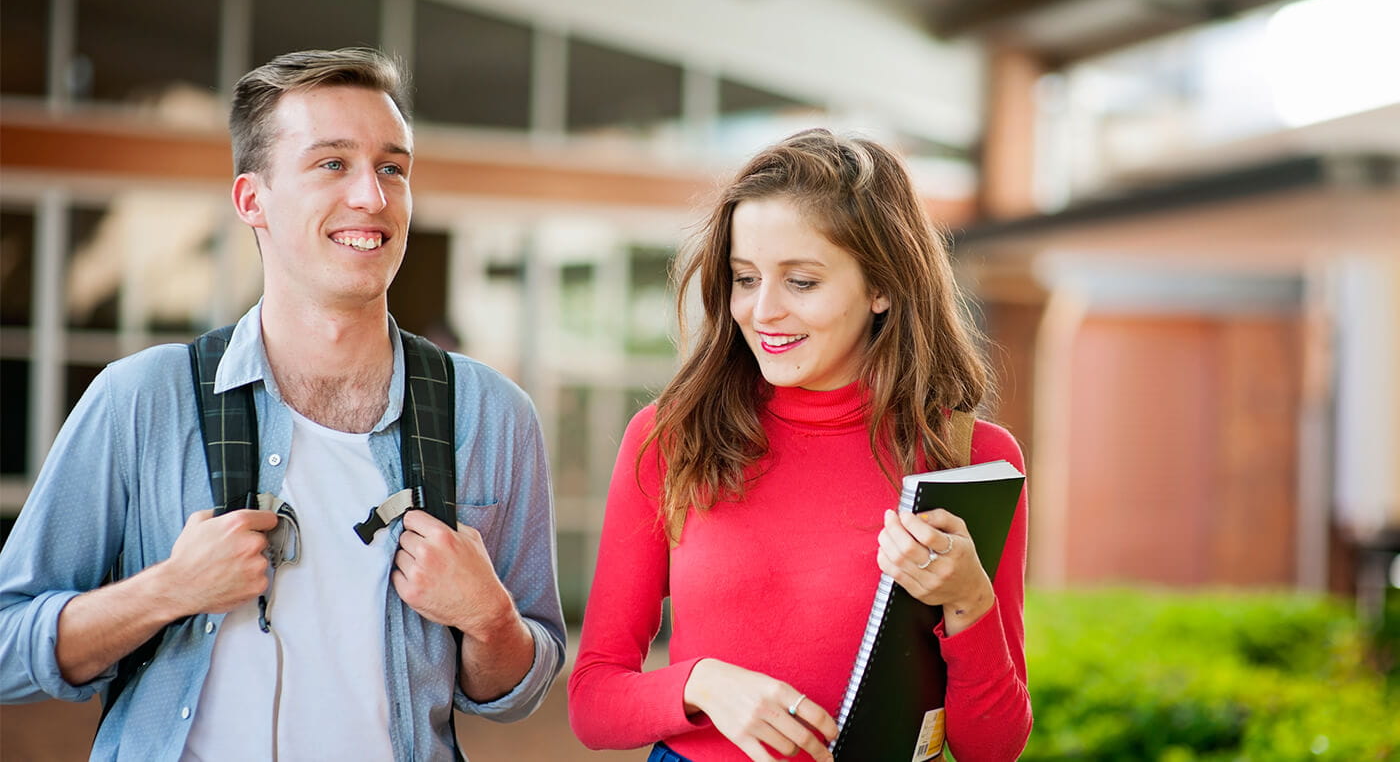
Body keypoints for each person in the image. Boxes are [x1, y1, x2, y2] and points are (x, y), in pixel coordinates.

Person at [0, 48, 565, 760]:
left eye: (393, 167)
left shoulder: (491, 415)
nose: (372, 195)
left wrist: (490, 620)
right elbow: (6, 644)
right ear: (251, 200)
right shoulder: (141, 399)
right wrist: (168, 591)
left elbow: (517, 687)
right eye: (333, 163)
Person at [567, 129, 1031, 762]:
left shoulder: (970, 458)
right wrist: (705, 685)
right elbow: (593, 700)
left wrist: (969, 599)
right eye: (745, 278)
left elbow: (993, 748)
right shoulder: (669, 436)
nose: (763, 311)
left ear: (882, 288)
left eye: (802, 282)